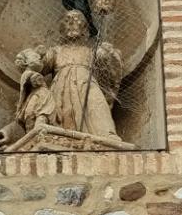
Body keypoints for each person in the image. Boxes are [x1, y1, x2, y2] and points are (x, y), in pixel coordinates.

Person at [41, 9, 122, 140]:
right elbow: (40, 67)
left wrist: (107, 54)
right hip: (62, 87)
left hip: (87, 84)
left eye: (77, 20)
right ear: (62, 29)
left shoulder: (91, 51)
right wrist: (36, 56)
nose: (72, 23)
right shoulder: (56, 51)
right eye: (67, 20)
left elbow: (108, 71)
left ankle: (106, 135)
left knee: (97, 104)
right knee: (64, 112)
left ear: (84, 29)